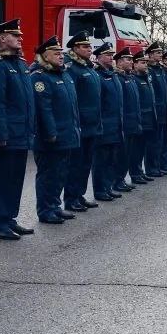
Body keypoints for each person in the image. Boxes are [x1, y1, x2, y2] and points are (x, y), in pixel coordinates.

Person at [0, 19, 36, 241]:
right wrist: (0, 134)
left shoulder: (20, 64)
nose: (21, 38)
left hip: (21, 132)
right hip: (8, 135)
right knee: (3, 178)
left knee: (15, 178)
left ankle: (10, 218)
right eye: (16, 36)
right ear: (3, 38)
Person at [31, 36, 81, 224]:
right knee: (47, 175)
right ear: (45, 55)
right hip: (50, 137)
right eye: (56, 53)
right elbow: (44, 108)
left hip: (67, 133)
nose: (61, 56)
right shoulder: (40, 76)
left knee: (60, 173)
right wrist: (51, 133)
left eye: (61, 53)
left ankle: (54, 206)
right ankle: (45, 210)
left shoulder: (63, 75)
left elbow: (72, 106)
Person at [63, 31, 102, 212]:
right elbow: (72, 99)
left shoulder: (88, 67)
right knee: (75, 164)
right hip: (80, 123)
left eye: (89, 46)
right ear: (75, 48)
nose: (89, 49)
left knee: (86, 162)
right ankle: (71, 198)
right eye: (85, 46)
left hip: (92, 123)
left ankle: (80, 194)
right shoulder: (72, 68)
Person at [92, 41, 124, 201]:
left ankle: (108, 186)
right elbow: (97, 103)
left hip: (115, 123)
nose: (111, 57)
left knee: (112, 158)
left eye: (111, 55)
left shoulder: (112, 75)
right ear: (98, 58)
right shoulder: (98, 76)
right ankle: (100, 190)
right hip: (104, 124)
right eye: (107, 55)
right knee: (101, 160)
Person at [112, 48, 140, 193]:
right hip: (124, 122)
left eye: (131, 59)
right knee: (121, 154)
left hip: (132, 121)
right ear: (119, 62)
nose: (131, 62)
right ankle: (116, 180)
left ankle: (121, 179)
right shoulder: (119, 78)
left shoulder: (129, 77)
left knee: (127, 153)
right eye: (128, 59)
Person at [145, 42, 167, 177]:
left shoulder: (160, 69)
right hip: (155, 110)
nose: (160, 55)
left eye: (160, 52)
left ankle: (157, 165)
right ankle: (151, 168)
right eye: (158, 53)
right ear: (151, 54)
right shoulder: (150, 70)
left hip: (162, 109)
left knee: (159, 140)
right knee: (152, 142)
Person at [133, 50, 156, 184]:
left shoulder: (146, 77)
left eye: (146, 62)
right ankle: (135, 173)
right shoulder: (135, 79)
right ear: (135, 65)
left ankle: (140, 172)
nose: (146, 65)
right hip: (141, 118)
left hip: (149, 117)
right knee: (136, 148)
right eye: (143, 62)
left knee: (143, 147)